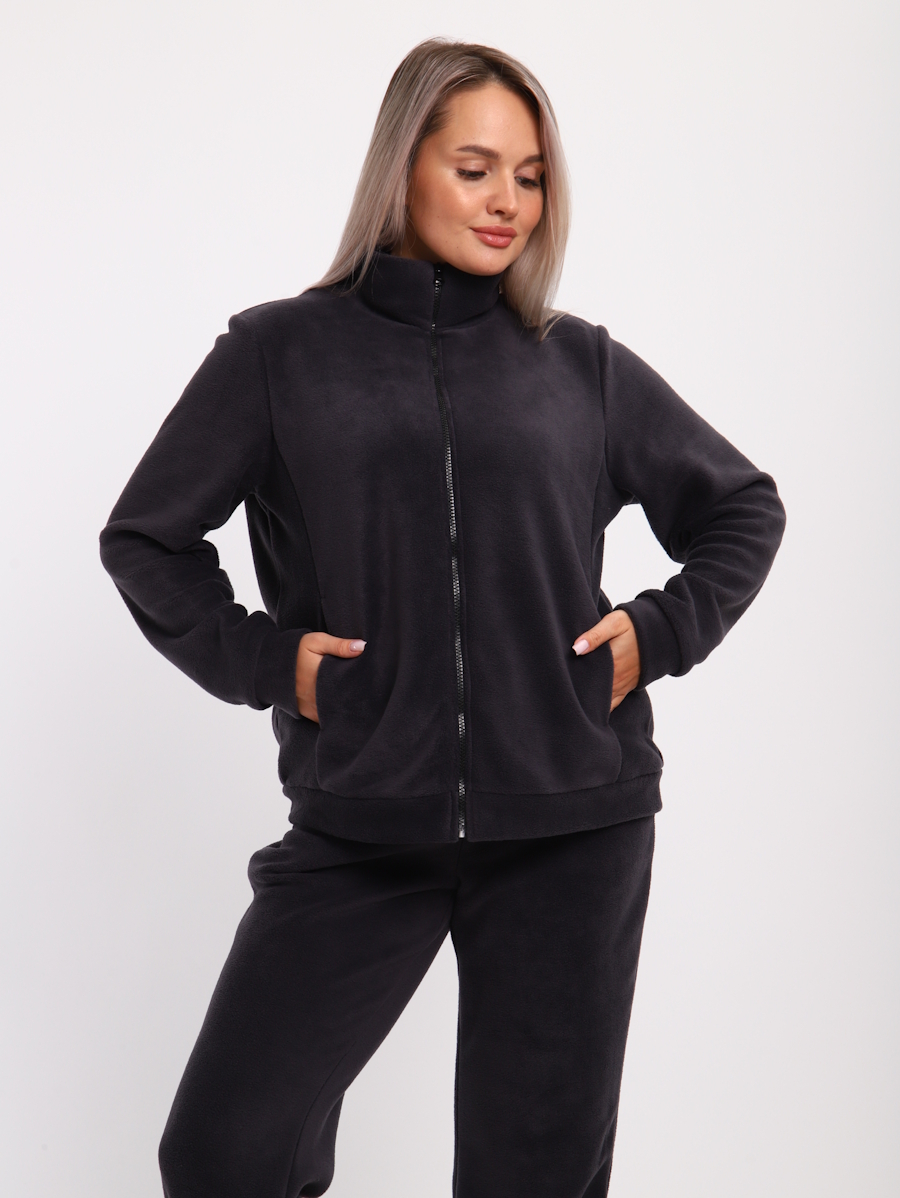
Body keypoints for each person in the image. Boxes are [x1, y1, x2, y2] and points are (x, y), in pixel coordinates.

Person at [99, 37, 786, 1198]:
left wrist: (661, 631)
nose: (508, 200)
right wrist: (273, 662)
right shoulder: (278, 354)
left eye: (530, 176)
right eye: (475, 168)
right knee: (225, 1151)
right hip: (363, 823)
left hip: (573, 825)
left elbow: (741, 505)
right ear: (402, 167)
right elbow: (146, 538)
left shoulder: (578, 365)